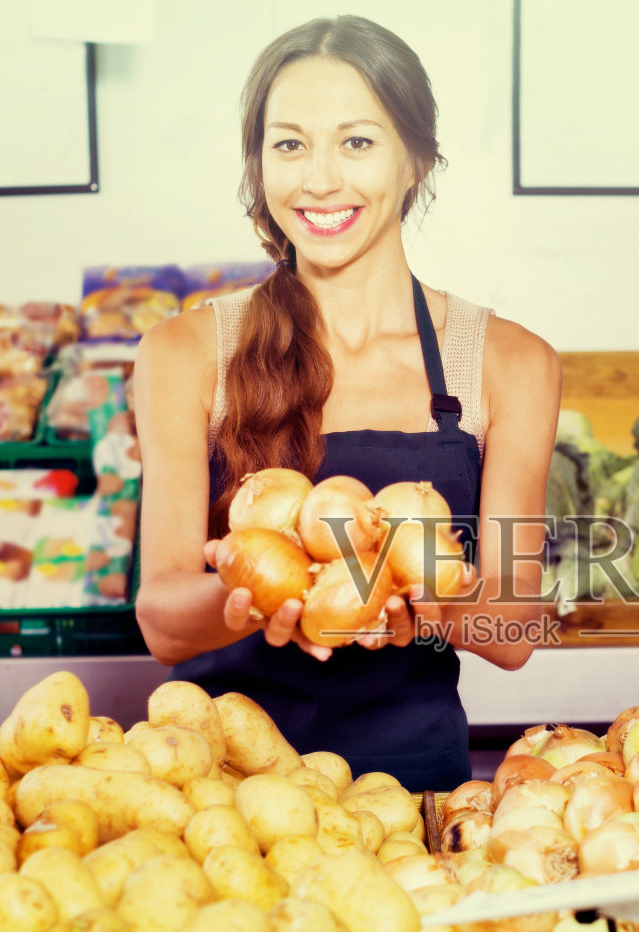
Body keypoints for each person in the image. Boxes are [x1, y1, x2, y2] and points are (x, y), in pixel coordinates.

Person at [134, 16, 561, 791]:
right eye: (289, 144)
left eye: (357, 142)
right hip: (217, 798)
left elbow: (518, 624)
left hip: (414, 799)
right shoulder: (184, 354)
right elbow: (162, 621)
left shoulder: (505, 363)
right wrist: (250, 596)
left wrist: (418, 598)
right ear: (257, 163)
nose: (319, 180)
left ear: (416, 160)